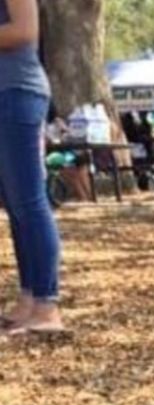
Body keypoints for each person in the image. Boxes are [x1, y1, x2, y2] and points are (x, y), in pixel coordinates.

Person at [0, 0, 64, 335]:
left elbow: (25, 31)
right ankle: (28, 298)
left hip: (18, 92)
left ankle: (47, 305)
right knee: (15, 204)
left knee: (30, 201)